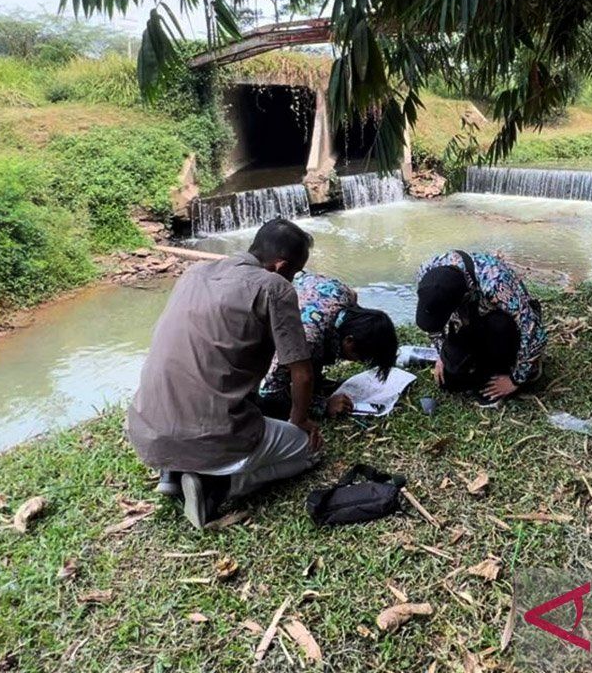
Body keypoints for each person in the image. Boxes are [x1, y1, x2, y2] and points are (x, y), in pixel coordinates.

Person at [126, 219, 321, 529]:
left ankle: (173, 473)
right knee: (307, 452)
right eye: (295, 273)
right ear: (281, 266)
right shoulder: (274, 287)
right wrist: (299, 422)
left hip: (148, 429)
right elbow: (302, 374)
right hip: (213, 435)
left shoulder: (194, 273)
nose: (294, 280)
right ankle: (218, 486)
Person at [415, 250, 547, 406]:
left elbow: (533, 331)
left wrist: (515, 380)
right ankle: (478, 366)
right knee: (449, 382)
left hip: (503, 325)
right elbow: (433, 323)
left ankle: (514, 368)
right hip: (467, 322)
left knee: (499, 325)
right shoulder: (425, 272)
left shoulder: (495, 281)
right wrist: (441, 355)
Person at [258, 271, 399, 417]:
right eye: (359, 357)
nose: (356, 361)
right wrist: (323, 406)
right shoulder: (307, 339)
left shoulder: (346, 295)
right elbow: (269, 391)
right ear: (349, 341)